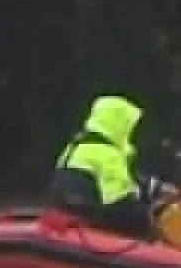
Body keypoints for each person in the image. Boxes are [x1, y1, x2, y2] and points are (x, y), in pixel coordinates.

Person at [48, 94, 157, 240]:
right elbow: (121, 206)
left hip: (66, 227)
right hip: (97, 232)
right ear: (119, 125)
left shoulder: (73, 148)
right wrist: (150, 216)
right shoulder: (109, 157)